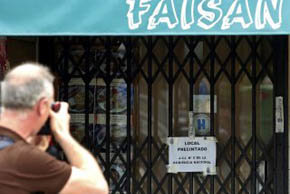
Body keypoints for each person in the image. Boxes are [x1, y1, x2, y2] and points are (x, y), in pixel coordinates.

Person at [0, 62, 109, 194]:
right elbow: (97, 188)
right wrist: (63, 134)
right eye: (51, 106)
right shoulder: (22, 158)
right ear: (42, 106)